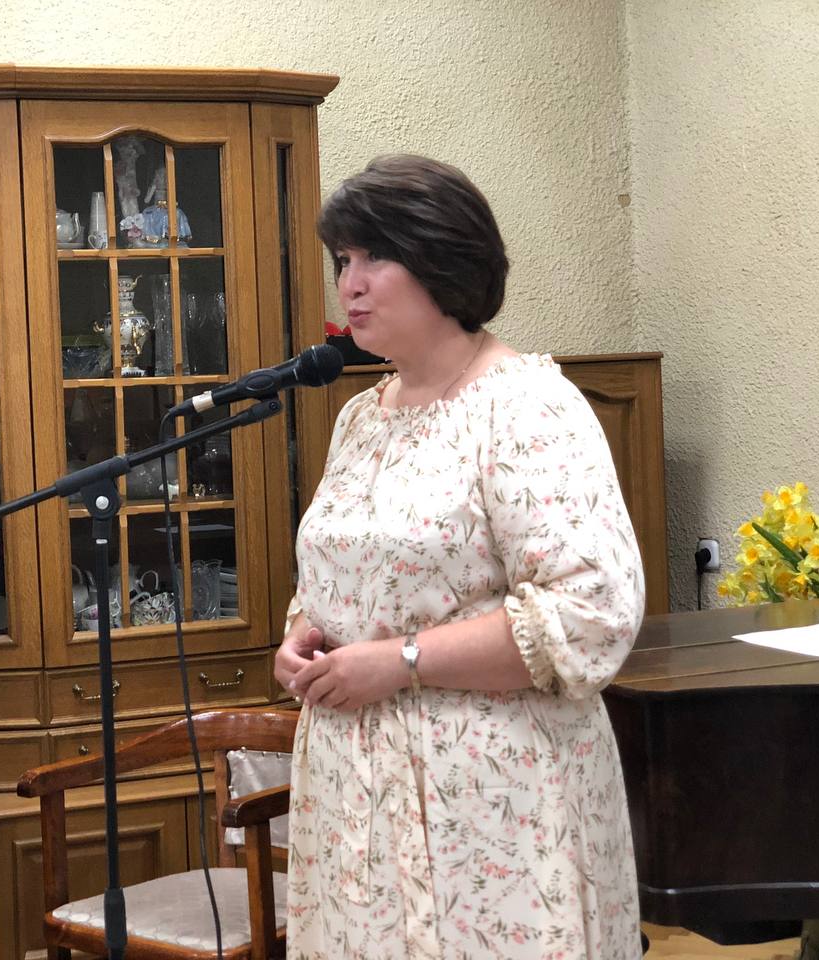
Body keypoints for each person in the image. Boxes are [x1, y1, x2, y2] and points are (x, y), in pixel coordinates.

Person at [274, 155, 645, 959]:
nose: (350, 285)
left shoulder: (527, 407)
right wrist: (301, 633)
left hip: (489, 805)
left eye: (376, 256)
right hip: (354, 797)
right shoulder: (360, 418)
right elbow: (346, 572)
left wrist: (399, 661)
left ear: (442, 259)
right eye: (343, 260)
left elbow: (590, 613)